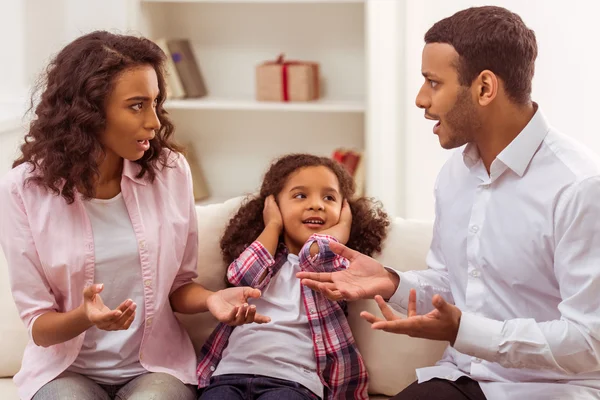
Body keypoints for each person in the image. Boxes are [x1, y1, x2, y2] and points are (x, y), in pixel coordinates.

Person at [297, 6, 600, 400]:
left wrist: (464, 330)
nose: (421, 99)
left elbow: (589, 340)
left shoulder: (579, 186)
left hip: (549, 390)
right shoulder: (455, 174)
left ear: (485, 88)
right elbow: (452, 287)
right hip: (460, 379)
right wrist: (393, 282)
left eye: (434, 82)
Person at [0, 31, 269, 400]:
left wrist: (210, 300)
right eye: (137, 105)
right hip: (64, 371)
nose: (155, 122)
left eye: (156, 103)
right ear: (88, 112)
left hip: (154, 368)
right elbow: (38, 325)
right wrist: (86, 317)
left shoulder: (170, 171)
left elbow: (179, 287)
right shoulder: (23, 189)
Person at [196, 154, 390, 399]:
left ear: (343, 211)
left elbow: (316, 252)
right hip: (229, 374)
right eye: (301, 195)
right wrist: (273, 226)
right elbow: (241, 277)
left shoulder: (338, 264)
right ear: (274, 206)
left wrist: (343, 229)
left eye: (329, 198)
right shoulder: (264, 258)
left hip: (294, 383)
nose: (317, 204)